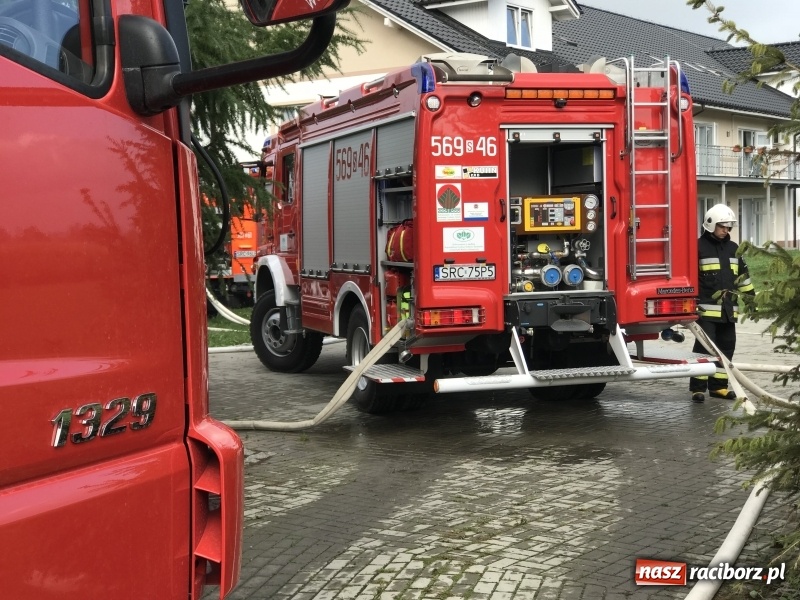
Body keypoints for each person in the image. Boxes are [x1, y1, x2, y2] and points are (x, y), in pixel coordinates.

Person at [690, 204, 755, 402]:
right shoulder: (697, 247)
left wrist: (751, 299)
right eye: (723, 226)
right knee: (705, 349)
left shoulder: (733, 249)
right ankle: (698, 389)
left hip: (728, 311)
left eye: (728, 227)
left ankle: (718, 387)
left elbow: (742, 278)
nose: (726, 230)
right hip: (706, 310)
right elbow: (691, 279)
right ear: (711, 224)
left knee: (727, 348)